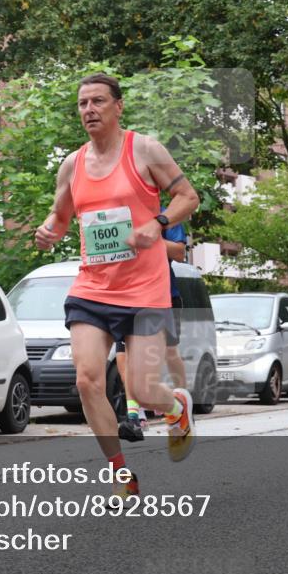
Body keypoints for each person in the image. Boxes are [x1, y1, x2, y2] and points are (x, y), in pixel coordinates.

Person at [34, 73, 201, 497]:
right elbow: (61, 215)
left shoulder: (144, 150)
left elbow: (188, 197)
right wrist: (48, 230)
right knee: (87, 380)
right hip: (93, 288)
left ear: (118, 106)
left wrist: (157, 223)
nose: (89, 110)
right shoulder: (72, 165)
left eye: (98, 101)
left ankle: (176, 406)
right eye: (82, 103)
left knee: (143, 389)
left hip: (145, 289)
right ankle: (122, 476)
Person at [115, 209, 189, 441]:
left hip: (163, 295)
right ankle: (134, 417)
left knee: (169, 353)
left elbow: (179, 253)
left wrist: (147, 237)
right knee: (124, 355)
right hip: (125, 295)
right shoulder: (118, 214)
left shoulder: (165, 215)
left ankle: (183, 406)